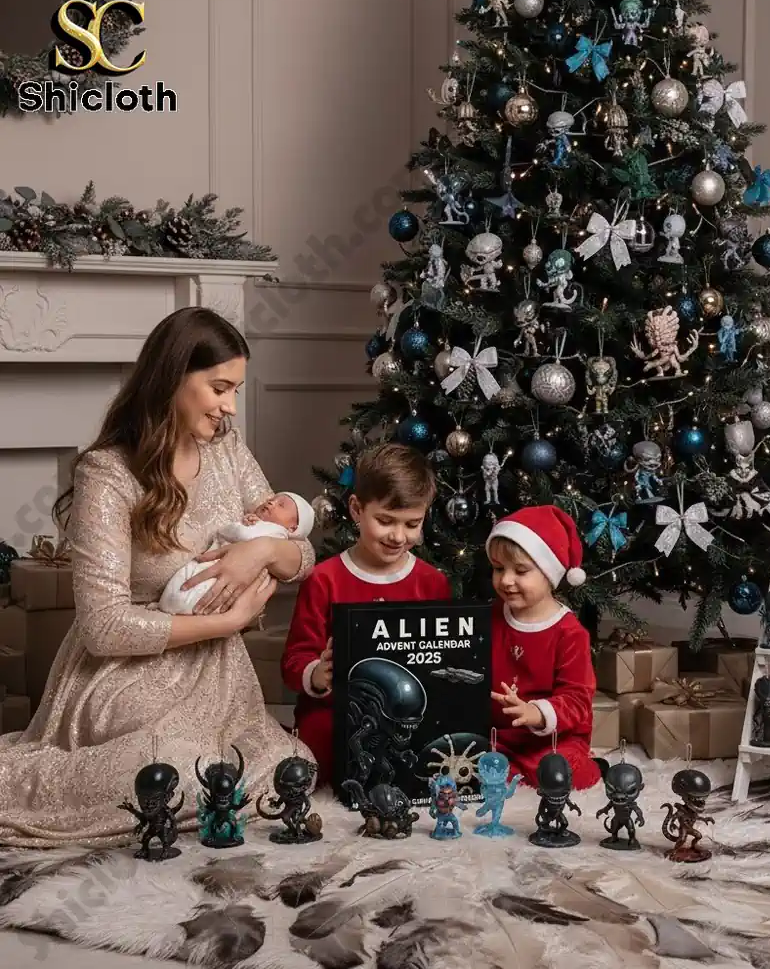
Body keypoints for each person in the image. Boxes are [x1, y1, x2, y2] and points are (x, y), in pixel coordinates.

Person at [0, 308, 314, 849]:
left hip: (219, 677)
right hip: (127, 676)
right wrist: (228, 622)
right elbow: (103, 627)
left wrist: (261, 550)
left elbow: (302, 553)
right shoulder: (108, 472)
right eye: (219, 388)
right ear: (172, 378)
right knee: (171, 772)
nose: (230, 406)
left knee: (289, 766)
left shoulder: (227, 450)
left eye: (236, 391)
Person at [281, 442, 451, 786]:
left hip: (406, 716)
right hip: (335, 710)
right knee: (319, 750)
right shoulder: (324, 579)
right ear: (357, 509)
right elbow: (294, 660)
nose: (398, 536)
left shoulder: (432, 583)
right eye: (385, 521)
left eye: (412, 524)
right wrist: (317, 674)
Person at [487, 505, 601, 790]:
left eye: (521, 570)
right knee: (482, 768)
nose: (506, 580)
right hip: (500, 735)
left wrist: (537, 713)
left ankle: (592, 766)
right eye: (498, 568)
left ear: (549, 574)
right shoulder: (490, 618)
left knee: (558, 772)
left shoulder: (569, 633)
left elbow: (577, 699)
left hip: (555, 737)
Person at [158, 491, 315, 614]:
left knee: (197, 589)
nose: (271, 502)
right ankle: (172, 608)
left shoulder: (277, 532)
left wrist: (240, 525)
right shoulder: (265, 527)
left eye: (281, 505)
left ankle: (174, 608)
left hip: (224, 572)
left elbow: (242, 535)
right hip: (220, 566)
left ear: (292, 528)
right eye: (272, 499)